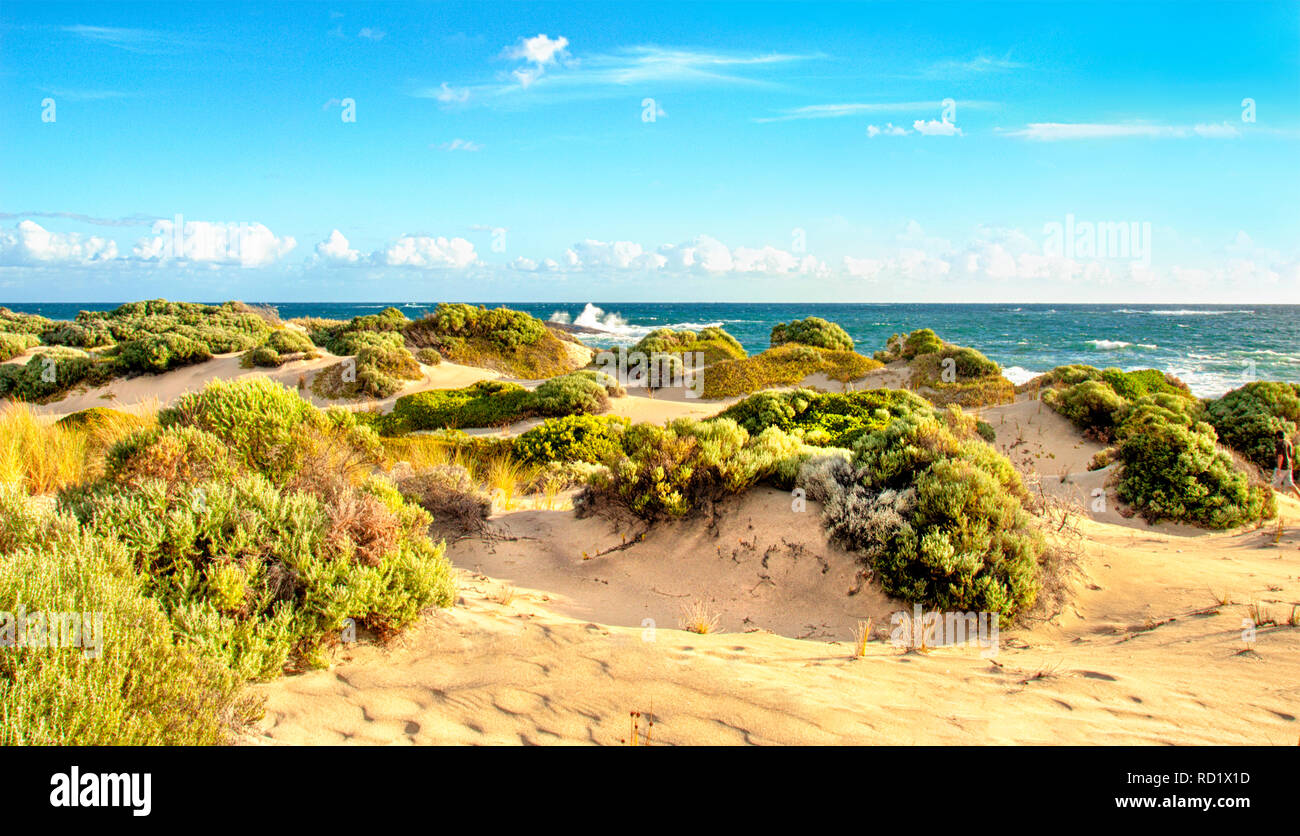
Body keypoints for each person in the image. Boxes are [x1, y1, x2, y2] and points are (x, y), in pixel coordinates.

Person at [1273, 429, 1300, 500]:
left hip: (1282, 467)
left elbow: (1280, 456)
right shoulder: (1288, 443)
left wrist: (1278, 468)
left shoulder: (1280, 444)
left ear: (1278, 436)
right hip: (1289, 467)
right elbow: (1291, 456)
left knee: (1275, 485)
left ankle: (1276, 501)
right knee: (1290, 484)